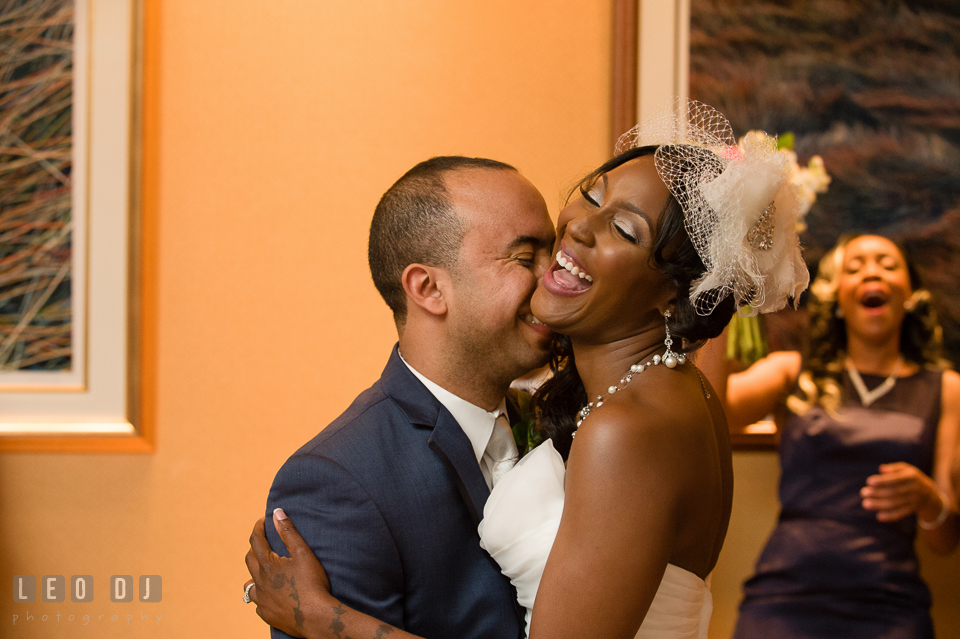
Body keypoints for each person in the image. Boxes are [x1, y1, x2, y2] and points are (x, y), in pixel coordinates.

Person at [246, 100, 810, 639]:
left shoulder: (629, 424)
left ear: (672, 291)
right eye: (590, 197)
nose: (566, 248)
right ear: (429, 289)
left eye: (626, 230)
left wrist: (327, 622)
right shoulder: (341, 479)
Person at [245, 155, 557, 639]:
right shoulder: (336, 480)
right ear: (429, 288)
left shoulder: (559, 423)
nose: (555, 280)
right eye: (525, 258)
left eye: (553, 256)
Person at [727, 234, 960, 638]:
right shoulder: (790, 370)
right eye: (855, 267)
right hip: (784, 603)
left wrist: (927, 500)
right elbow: (715, 411)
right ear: (836, 297)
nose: (872, 271)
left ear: (911, 293)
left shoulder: (947, 389)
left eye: (887, 264)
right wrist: (722, 288)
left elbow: (944, 542)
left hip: (889, 608)